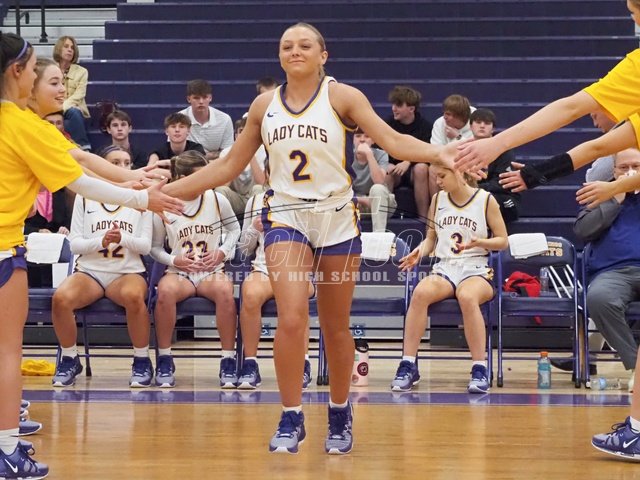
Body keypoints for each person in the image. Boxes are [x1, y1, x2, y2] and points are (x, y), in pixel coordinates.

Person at [162, 22, 456, 455]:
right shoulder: (264, 105)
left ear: (323, 55)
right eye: (287, 46)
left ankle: (339, 411)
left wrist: (437, 152)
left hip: (336, 219)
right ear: (279, 56)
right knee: (292, 318)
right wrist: (167, 192)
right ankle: (291, 415)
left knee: (336, 326)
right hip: (286, 217)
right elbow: (227, 167)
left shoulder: (342, 97)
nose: (294, 51)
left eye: (304, 45)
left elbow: (392, 140)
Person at [0, 33, 181, 480]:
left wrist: (132, 178)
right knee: (7, 352)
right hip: (3, 247)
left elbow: (79, 157)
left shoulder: (28, 125)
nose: (48, 83)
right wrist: (142, 198)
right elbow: (78, 180)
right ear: (17, 73)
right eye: (38, 71)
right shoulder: (21, 125)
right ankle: (6, 448)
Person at [390, 165, 508, 394]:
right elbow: (431, 239)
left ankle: (480, 368)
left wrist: (480, 243)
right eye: (437, 177)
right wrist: (419, 252)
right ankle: (408, 364)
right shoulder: (438, 200)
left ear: (460, 173)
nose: (438, 181)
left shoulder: (485, 200)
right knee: (420, 293)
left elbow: (503, 240)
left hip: (476, 267)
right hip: (446, 266)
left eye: (442, 176)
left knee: (467, 296)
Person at [51, 146, 154, 388]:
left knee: (134, 296)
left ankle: (142, 360)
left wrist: (121, 239)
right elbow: (74, 244)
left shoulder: (141, 198)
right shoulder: (85, 197)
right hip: (90, 272)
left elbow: (146, 246)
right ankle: (69, 358)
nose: (122, 168)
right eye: (115, 163)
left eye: (126, 163)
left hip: (127, 271)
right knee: (61, 299)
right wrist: (102, 241)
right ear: (102, 167)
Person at [151, 151, 240, 388]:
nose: (207, 180)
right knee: (165, 293)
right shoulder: (164, 204)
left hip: (211, 270)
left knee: (225, 292)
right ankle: (164, 358)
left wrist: (222, 252)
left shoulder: (217, 199)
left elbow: (235, 230)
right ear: (182, 178)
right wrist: (174, 260)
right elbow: (154, 248)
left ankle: (228, 360)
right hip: (180, 271)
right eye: (201, 175)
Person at [236, 191, 315, 390]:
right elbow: (244, 249)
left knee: (298, 297)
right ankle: (250, 363)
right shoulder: (256, 200)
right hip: (263, 269)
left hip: (297, 270)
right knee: (250, 294)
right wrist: (253, 229)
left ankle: (302, 363)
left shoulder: (310, 196)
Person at [576, 148, 640, 394]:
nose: (630, 172)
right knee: (598, 298)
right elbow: (583, 230)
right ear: (614, 171)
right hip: (614, 273)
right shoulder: (600, 193)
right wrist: (615, 199)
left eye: (636, 166)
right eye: (623, 168)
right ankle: (636, 367)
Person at [384, 85, 434, 220]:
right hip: (395, 171)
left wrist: (408, 161)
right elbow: (379, 149)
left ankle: (423, 218)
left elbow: (428, 152)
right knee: (386, 169)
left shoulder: (425, 127)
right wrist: (388, 163)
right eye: (393, 104)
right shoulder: (387, 125)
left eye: (399, 105)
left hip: (414, 171)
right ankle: (384, 218)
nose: (394, 108)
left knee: (421, 168)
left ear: (411, 109)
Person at [470, 108, 520, 225]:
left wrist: (475, 189)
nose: (482, 126)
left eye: (487, 123)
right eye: (478, 122)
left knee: (483, 198)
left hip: (503, 197)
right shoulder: (463, 149)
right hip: (474, 193)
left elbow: (503, 183)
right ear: (470, 126)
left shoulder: (504, 150)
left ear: (493, 128)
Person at [215, 117, 266, 216]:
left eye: (249, 132)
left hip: (253, 197)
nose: (245, 135)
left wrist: (250, 153)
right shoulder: (226, 152)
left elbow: (262, 183)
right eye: (241, 131)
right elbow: (223, 185)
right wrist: (237, 155)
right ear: (236, 135)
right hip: (236, 199)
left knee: (259, 188)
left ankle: (256, 223)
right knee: (220, 190)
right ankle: (224, 223)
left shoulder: (263, 151)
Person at [352, 128, 396, 232]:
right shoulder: (346, 155)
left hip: (382, 203)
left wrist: (369, 155)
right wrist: (362, 200)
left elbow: (379, 181)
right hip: (356, 204)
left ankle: (379, 236)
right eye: (358, 136)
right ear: (352, 139)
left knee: (378, 188)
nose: (362, 140)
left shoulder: (381, 154)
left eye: (367, 136)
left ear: (373, 140)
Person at [179, 79, 234, 160]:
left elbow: (228, 153)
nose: (201, 102)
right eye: (196, 98)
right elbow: (173, 152)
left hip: (216, 165)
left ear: (210, 98)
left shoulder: (225, 119)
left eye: (205, 97)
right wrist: (209, 155)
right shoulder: (179, 119)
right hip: (186, 165)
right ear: (188, 99)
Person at [53, 36, 91, 150]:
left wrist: (63, 107)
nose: (70, 50)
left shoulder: (82, 71)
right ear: (59, 48)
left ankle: (84, 148)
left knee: (73, 113)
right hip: (53, 108)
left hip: (73, 110)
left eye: (72, 48)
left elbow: (79, 95)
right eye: (66, 46)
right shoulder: (49, 69)